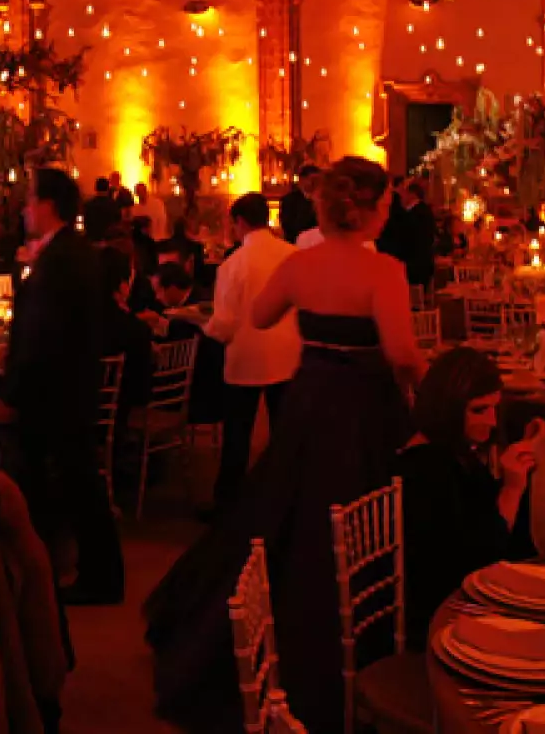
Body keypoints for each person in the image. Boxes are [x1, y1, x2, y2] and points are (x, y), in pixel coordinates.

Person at [146, 157, 426, 733]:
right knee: (366, 516)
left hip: (308, 400)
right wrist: (426, 380)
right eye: (387, 204)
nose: (390, 213)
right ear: (369, 209)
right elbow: (401, 355)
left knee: (288, 512)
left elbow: (261, 313)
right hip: (365, 409)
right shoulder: (385, 272)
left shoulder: (301, 266)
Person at [0, 167, 123, 605]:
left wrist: (11, 395)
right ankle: (70, 569)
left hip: (56, 393)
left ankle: (83, 576)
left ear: (48, 205)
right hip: (69, 387)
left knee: (72, 482)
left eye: (30, 200)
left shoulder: (62, 260)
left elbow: (43, 337)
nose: (25, 209)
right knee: (74, 481)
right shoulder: (71, 252)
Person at [398, 348, 542, 647]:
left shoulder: (457, 452)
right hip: (446, 624)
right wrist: (512, 488)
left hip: (472, 604)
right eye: (479, 410)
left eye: (494, 409)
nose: (491, 421)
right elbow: (475, 561)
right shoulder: (425, 469)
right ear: (448, 407)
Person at [203, 192, 300, 510]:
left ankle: (228, 503)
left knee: (238, 434)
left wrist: (205, 328)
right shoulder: (291, 254)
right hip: (287, 354)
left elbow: (226, 322)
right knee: (284, 433)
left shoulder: (234, 264)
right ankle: (286, 497)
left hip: (247, 357)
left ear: (240, 222)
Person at [98, 246, 156, 416]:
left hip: (73, 421)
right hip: (117, 421)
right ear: (123, 286)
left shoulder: (74, 322)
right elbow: (142, 393)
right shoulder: (135, 329)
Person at [278, 164, 320, 243]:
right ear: (302, 180)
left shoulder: (322, 199)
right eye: (312, 179)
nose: (314, 183)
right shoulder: (289, 199)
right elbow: (288, 226)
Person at [82, 176, 122, 241]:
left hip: (92, 239)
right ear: (108, 188)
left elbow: (85, 223)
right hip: (109, 241)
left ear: (95, 188)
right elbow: (118, 222)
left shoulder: (88, 204)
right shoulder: (114, 205)